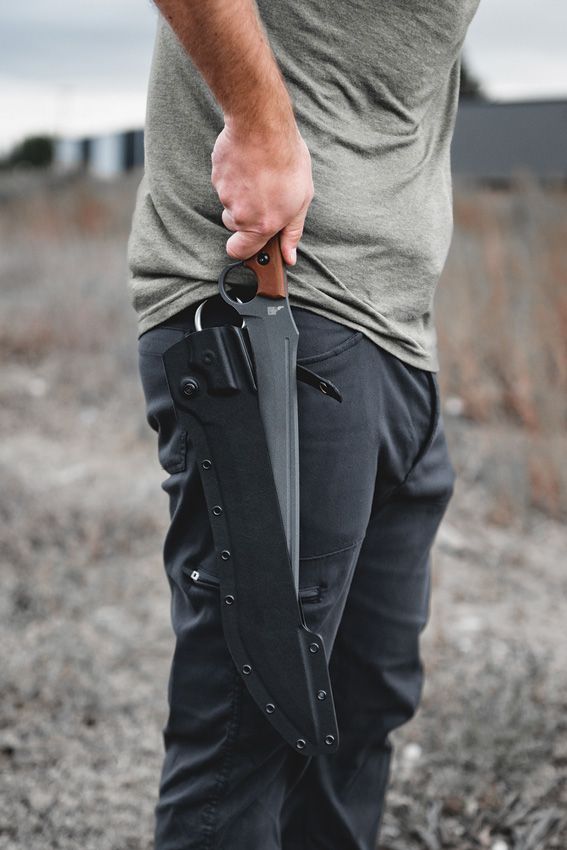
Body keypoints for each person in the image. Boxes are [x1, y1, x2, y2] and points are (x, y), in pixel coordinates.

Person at [127, 1, 481, 847]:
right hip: (273, 307)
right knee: (249, 724)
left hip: (398, 334)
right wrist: (257, 122)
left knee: (359, 709)